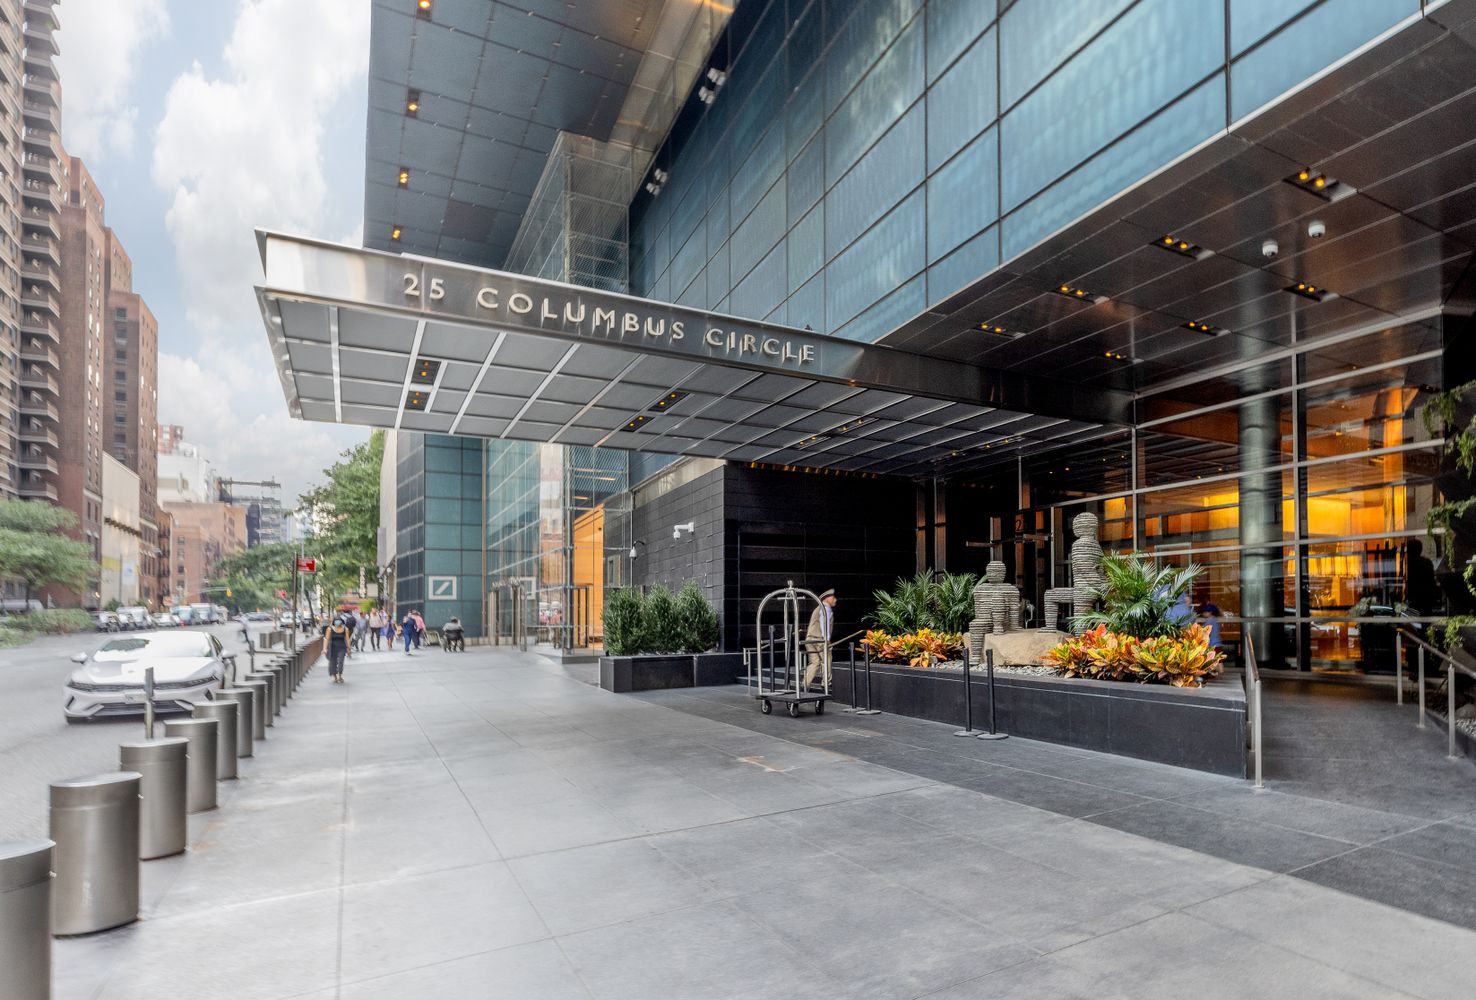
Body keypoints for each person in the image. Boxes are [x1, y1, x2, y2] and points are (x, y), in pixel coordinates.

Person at [804, 589, 836, 691]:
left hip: (810, 639)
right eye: (833, 597)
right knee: (826, 659)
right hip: (819, 639)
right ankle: (826, 683)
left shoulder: (817, 608)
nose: (835, 599)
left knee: (814, 662)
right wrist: (826, 639)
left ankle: (805, 684)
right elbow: (824, 623)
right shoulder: (825, 608)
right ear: (826, 598)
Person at [1403, 538, 1440, 616]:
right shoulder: (1426, 563)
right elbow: (1431, 581)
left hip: (1413, 598)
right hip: (1426, 598)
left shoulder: (1407, 564)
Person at [326, 614, 351, 684]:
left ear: (341, 621)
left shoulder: (345, 629)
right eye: (336, 621)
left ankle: (340, 675)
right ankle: (335, 677)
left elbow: (347, 639)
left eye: (339, 621)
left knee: (341, 662)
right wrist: (324, 649)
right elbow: (326, 639)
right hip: (332, 648)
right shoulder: (329, 629)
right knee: (332, 663)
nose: (338, 622)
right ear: (334, 621)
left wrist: (349, 648)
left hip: (342, 648)